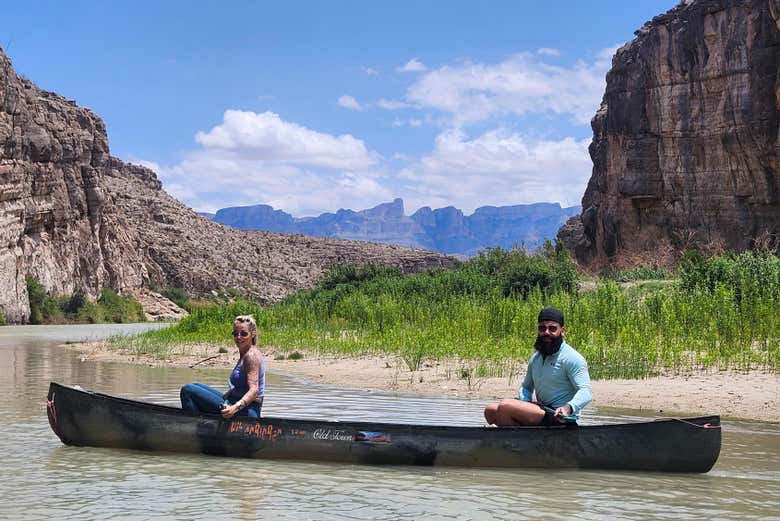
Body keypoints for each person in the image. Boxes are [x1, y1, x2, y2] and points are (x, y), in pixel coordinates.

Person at [484, 307, 591, 426]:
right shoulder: (536, 358)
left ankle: (513, 437)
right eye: (542, 328)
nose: (546, 332)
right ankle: (519, 436)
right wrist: (525, 402)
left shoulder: (572, 358)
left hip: (559, 416)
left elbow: (586, 392)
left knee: (505, 406)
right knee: (490, 410)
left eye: (552, 328)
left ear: (562, 331)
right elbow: (526, 387)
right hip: (542, 411)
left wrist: (568, 408)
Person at [180, 315, 265, 419]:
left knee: (187, 390)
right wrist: (231, 393)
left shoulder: (251, 356)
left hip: (246, 411)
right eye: (235, 334)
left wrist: (234, 408)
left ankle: (194, 425)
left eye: (243, 334)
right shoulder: (245, 353)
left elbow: (254, 391)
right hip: (235, 402)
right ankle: (204, 421)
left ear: (252, 334)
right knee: (195, 385)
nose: (239, 337)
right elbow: (243, 385)